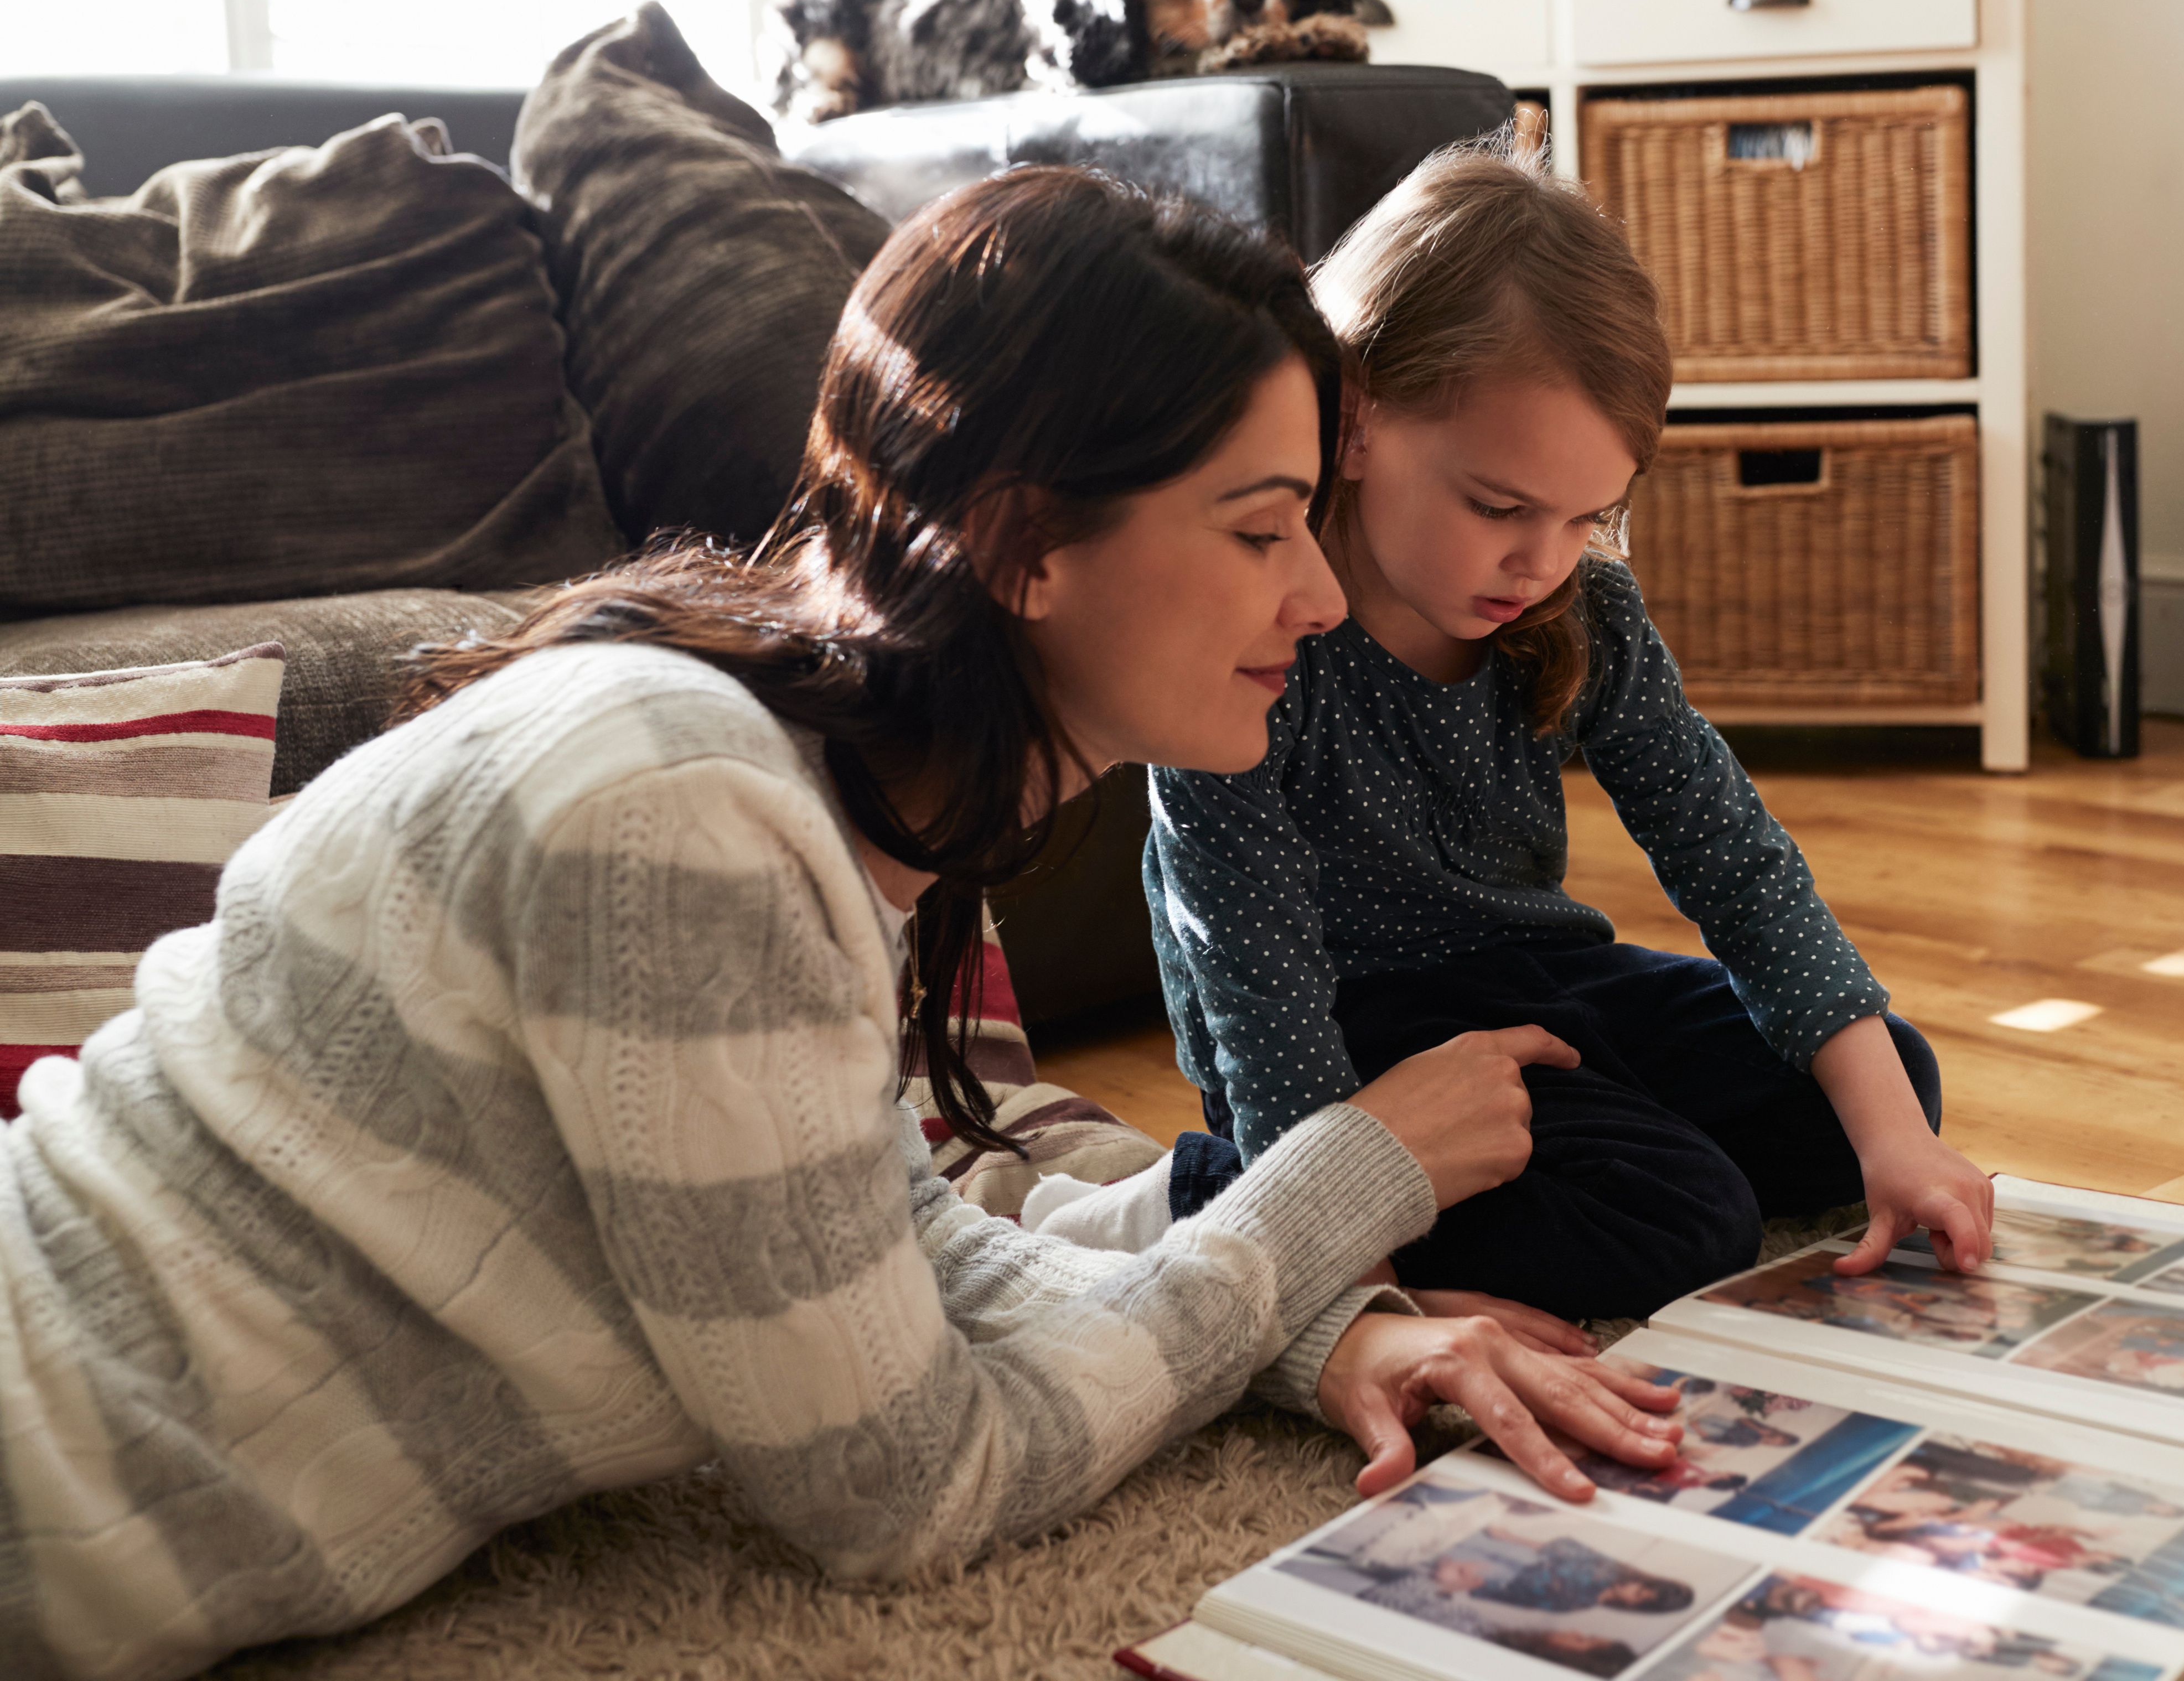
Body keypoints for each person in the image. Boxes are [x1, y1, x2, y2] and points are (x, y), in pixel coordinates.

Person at [0, 167, 1683, 1681]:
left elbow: (905, 1255)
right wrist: (1347, 1177)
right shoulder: (682, 820)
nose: (1320, 598)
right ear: (1029, 544)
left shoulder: (787, 799)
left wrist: (1320, 1326)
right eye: (1262, 532)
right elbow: (904, 1486)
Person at [1129, 141, 1993, 1318]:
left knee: (1882, 1079)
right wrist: (1341, 1257)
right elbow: (1252, 976)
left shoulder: (1580, 608)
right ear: (1358, 416)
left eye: (1586, 517)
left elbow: (1732, 860)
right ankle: (1216, 1199)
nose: (1539, 561)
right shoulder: (1256, 633)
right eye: (1500, 507)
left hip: (1540, 977)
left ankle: (1593, 1153)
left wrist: (1895, 1137)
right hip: (1342, 1031)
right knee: (1685, 1220)